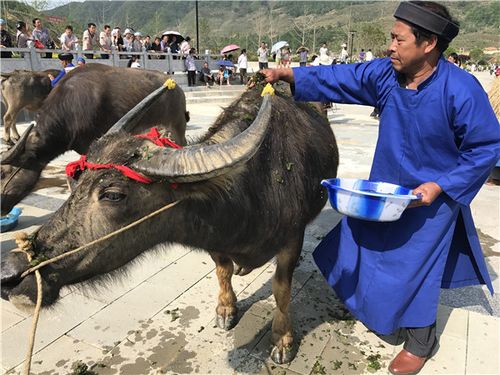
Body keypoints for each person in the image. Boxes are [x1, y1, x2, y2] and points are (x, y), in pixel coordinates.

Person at [261, 2, 500, 375]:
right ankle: (371, 307)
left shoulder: (461, 90)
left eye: (397, 39)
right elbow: (342, 77)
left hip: (430, 201)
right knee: (359, 247)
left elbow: (485, 147)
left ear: (428, 44)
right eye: (391, 37)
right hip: (385, 189)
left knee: (413, 268)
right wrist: (288, 73)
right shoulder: (386, 74)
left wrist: (441, 185)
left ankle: (421, 342)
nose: (390, 46)